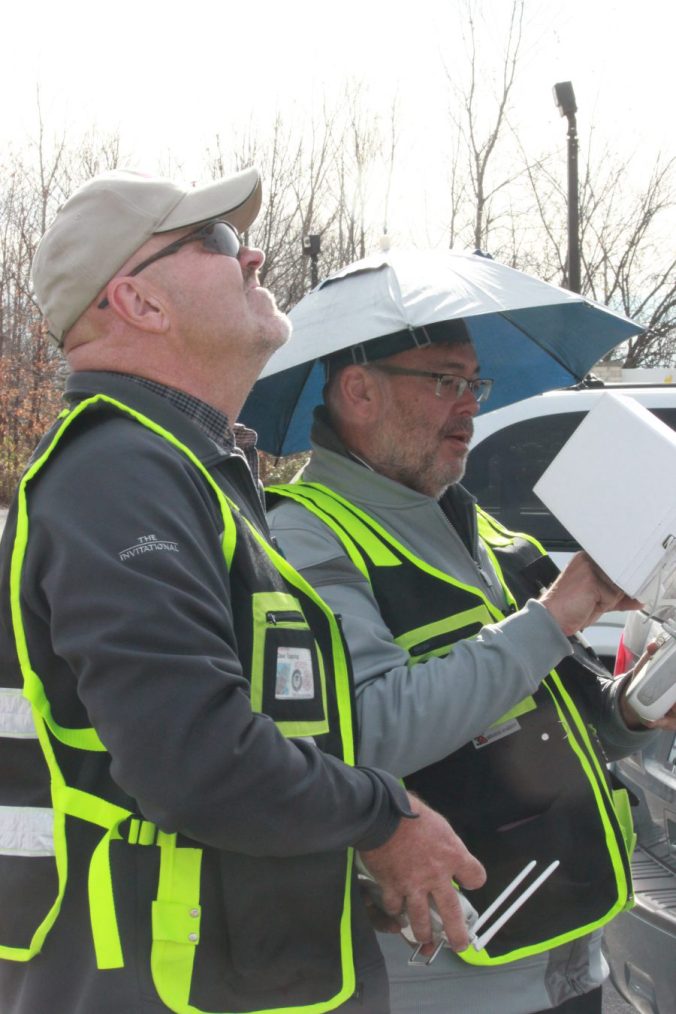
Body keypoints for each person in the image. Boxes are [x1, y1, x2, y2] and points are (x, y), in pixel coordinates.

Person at [0, 169, 487, 1014]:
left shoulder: (187, 471)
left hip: (228, 975)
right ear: (139, 302)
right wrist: (384, 817)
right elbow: (198, 762)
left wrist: (343, 859)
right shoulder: (121, 474)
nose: (253, 252)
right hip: (160, 988)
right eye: (218, 242)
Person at [267, 331, 676, 1014]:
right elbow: (370, 733)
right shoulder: (301, 539)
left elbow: (552, 728)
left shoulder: (471, 523)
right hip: (443, 976)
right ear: (360, 391)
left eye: (474, 386)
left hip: (570, 948)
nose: (468, 409)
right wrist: (554, 616)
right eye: (443, 382)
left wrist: (632, 713)